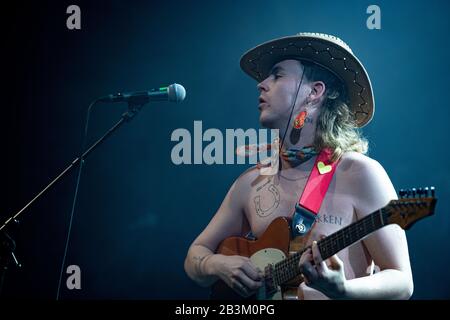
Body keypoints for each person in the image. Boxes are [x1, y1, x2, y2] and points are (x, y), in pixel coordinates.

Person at [184, 33, 414, 299]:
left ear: (314, 92)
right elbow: (195, 254)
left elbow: (402, 281)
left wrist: (343, 290)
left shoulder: (360, 174)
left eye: (277, 75)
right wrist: (217, 264)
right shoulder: (252, 181)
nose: (261, 84)